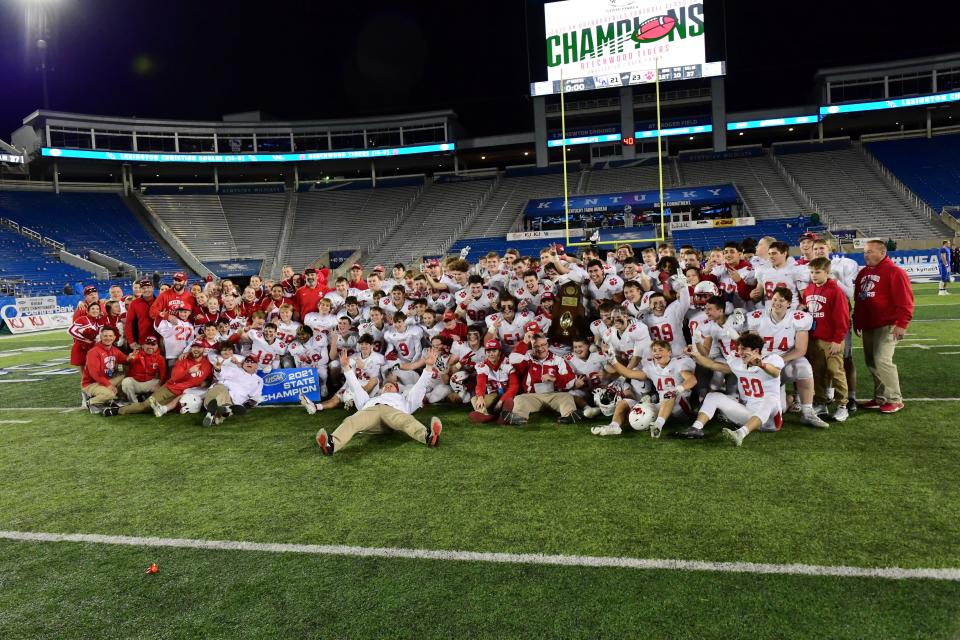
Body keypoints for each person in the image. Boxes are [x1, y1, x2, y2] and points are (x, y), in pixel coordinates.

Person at [314, 350, 443, 456]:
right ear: (381, 391)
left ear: (397, 390)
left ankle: (429, 437)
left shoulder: (404, 399)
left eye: (391, 386)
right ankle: (331, 445)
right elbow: (356, 387)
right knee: (351, 421)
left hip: (393, 415)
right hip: (371, 414)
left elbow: (420, 387)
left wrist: (429, 367)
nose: (387, 387)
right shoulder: (371, 400)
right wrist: (346, 367)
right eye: (385, 386)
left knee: (407, 420)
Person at [682, 332, 785, 447]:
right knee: (713, 396)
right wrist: (694, 355)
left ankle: (740, 434)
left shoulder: (772, 359)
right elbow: (712, 364)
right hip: (748, 414)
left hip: (771, 422)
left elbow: (776, 372)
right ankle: (696, 428)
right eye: (739, 348)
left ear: (756, 351)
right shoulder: (737, 362)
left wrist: (762, 365)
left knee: (771, 399)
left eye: (744, 349)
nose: (739, 352)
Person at [853, 239, 914, 414]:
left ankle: (895, 398)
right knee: (871, 362)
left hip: (887, 324)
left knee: (882, 360)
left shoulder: (895, 272)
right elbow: (859, 300)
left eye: (871, 251)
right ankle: (880, 397)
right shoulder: (863, 272)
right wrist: (857, 320)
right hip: (869, 324)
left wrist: (902, 324)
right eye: (865, 252)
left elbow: (906, 301)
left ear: (882, 252)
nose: (866, 255)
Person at [106, 341, 212, 417]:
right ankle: (118, 410)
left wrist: (205, 382)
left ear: (204, 349)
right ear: (191, 348)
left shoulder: (207, 364)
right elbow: (175, 377)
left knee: (155, 409)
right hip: (170, 389)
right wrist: (188, 371)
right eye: (194, 347)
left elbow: (211, 378)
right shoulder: (183, 360)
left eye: (199, 347)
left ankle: (128, 405)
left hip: (184, 394)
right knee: (146, 406)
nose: (196, 349)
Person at [803, 257, 851, 422]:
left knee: (836, 372)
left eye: (817, 272)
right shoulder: (808, 290)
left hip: (831, 340)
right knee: (818, 373)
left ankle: (842, 405)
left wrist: (838, 339)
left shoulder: (835, 290)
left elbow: (843, 318)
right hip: (814, 340)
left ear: (827, 272)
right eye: (811, 272)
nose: (814, 275)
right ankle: (821, 402)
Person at [499, 334, 582, 425]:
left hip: (554, 395)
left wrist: (554, 379)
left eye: (543, 345)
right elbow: (512, 359)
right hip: (533, 396)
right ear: (532, 348)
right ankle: (519, 418)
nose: (540, 348)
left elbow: (570, 380)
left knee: (567, 397)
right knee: (519, 398)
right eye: (536, 346)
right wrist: (524, 342)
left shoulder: (558, 360)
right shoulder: (528, 358)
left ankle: (569, 416)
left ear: (548, 345)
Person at [201, 355, 264, 427]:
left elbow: (256, 395)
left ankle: (213, 415)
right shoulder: (235, 370)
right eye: (247, 361)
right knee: (219, 393)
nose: (249, 363)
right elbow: (220, 375)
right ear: (243, 363)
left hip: (234, 401)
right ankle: (226, 409)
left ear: (256, 366)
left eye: (252, 362)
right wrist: (218, 370)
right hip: (223, 389)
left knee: (225, 407)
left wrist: (252, 402)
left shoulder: (259, 380)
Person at [80, 326, 128, 412]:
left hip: (106, 380)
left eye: (110, 336)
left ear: (114, 337)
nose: (108, 338)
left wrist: (133, 357)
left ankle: (119, 397)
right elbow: (95, 374)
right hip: (91, 384)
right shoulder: (93, 352)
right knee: (110, 394)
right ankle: (89, 402)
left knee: (127, 375)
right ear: (101, 337)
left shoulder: (114, 350)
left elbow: (125, 359)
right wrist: (108, 385)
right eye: (105, 336)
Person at [120, 336, 167, 403]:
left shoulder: (160, 358)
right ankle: (134, 403)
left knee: (163, 386)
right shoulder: (136, 354)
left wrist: (159, 385)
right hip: (136, 383)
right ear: (143, 345)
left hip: (149, 383)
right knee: (126, 382)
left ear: (157, 346)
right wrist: (129, 359)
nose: (150, 346)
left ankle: (147, 400)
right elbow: (130, 361)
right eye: (148, 344)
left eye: (153, 344)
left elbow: (163, 375)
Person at [124, 278, 158, 350]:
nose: (146, 290)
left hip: (158, 340)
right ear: (140, 289)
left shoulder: (159, 301)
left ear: (153, 288)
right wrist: (131, 341)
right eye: (143, 288)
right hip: (140, 341)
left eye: (148, 287)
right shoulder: (134, 303)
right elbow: (128, 323)